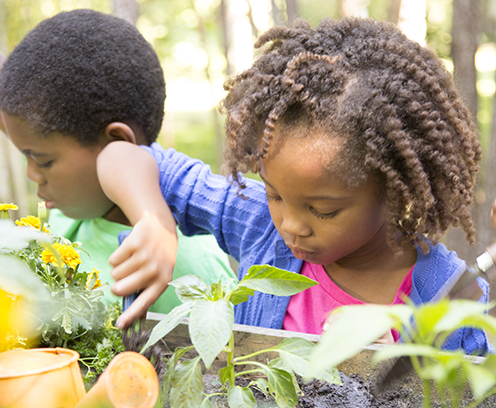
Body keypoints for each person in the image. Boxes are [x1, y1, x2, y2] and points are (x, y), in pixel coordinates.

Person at [96, 17, 492, 353]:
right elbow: (123, 156)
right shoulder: (258, 225)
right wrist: (154, 221)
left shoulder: (449, 300)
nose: (290, 224)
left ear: (395, 188)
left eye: (323, 209)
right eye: (274, 193)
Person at [0, 9, 235, 319]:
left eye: (42, 160)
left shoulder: (191, 269)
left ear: (117, 143)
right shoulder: (81, 195)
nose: (32, 174)